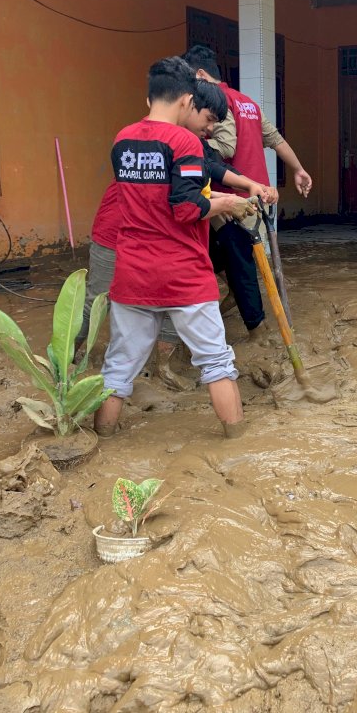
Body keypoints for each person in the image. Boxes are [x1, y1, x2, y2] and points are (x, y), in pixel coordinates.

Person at [93, 57, 257, 438]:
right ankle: (237, 442)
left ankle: (103, 436)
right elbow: (186, 208)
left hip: (132, 272)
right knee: (216, 362)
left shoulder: (123, 139)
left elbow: (153, 196)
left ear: (149, 95)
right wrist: (229, 203)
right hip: (182, 273)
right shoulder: (185, 142)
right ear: (186, 100)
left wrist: (212, 196)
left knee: (119, 366)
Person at [181, 45, 312, 341]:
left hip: (232, 199)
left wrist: (186, 148)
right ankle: (243, 310)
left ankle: (257, 329)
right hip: (255, 194)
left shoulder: (219, 102)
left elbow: (225, 148)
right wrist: (298, 169)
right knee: (236, 262)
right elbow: (276, 139)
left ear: (200, 75)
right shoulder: (248, 102)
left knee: (239, 264)